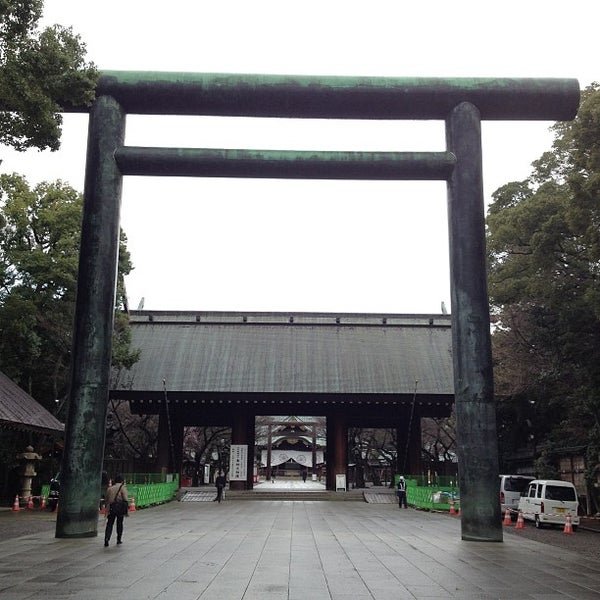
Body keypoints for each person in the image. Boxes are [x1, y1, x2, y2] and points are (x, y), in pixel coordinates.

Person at [104, 475, 128, 546]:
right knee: (119, 523)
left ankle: (107, 538)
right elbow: (125, 499)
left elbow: (106, 499)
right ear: (122, 481)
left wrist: (107, 508)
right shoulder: (123, 488)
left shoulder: (110, 489)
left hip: (111, 508)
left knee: (110, 523)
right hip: (120, 508)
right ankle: (119, 539)